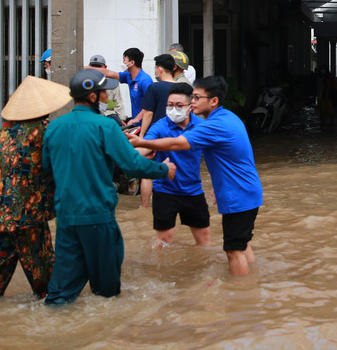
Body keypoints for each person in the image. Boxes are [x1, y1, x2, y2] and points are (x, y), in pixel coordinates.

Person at [41, 69, 176, 306]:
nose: (106, 97)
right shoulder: (105, 126)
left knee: (61, 291)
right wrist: (164, 170)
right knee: (107, 291)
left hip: (66, 217)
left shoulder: (54, 127)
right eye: (104, 92)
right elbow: (132, 166)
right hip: (97, 216)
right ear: (92, 97)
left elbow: (46, 167)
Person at [130, 76, 262, 276]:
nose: (193, 102)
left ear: (214, 101)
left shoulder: (211, 125)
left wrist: (140, 143)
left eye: (197, 98)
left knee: (234, 250)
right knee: (242, 244)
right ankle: (252, 284)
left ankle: (240, 294)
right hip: (241, 191)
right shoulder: (228, 117)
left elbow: (176, 143)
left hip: (233, 193)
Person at [0, 76, 71, 301]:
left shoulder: (4, 132)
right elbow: (59, 163)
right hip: (29, 217)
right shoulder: (44, 130)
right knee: (46, 287)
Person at [136, 83, 210, 248]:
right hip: (165, 191)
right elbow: (144, 146)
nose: (173, 110)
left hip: (193, 190)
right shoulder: (161, 126)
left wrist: (221, 183)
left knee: (204, 241)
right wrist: (126, 155)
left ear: (190, 107)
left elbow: (216, 155)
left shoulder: (202, 126)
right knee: (163, 241)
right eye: (169, 105)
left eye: (179, 106)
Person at [137, 54, 178, 209]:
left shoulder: (154, 87)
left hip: (155, 136)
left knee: (148, 172)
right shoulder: (181, 88)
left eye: (155, 67)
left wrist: (142, 137)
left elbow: (148, 113)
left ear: (160, 69)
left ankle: (145, 207)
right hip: (176, 136)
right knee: (173, 168)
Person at [97, 48, 153, 125]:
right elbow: (109, 73)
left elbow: (150, 104)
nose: (122, 63)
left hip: (145, 124)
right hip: (135, 124)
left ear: (132, 62)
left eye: (124, 60)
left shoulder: (145, 80)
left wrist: (137, 119)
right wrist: (85, 68)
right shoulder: (128, 76)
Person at [88, 54, 126, 124]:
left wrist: (122, 119)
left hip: (109, 114)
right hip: (92, 114)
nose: (97, 70)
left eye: (99, 67)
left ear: (105, 67)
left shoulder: (111, 82)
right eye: (93, 67)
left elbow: (118, 102)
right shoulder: (87, 83)